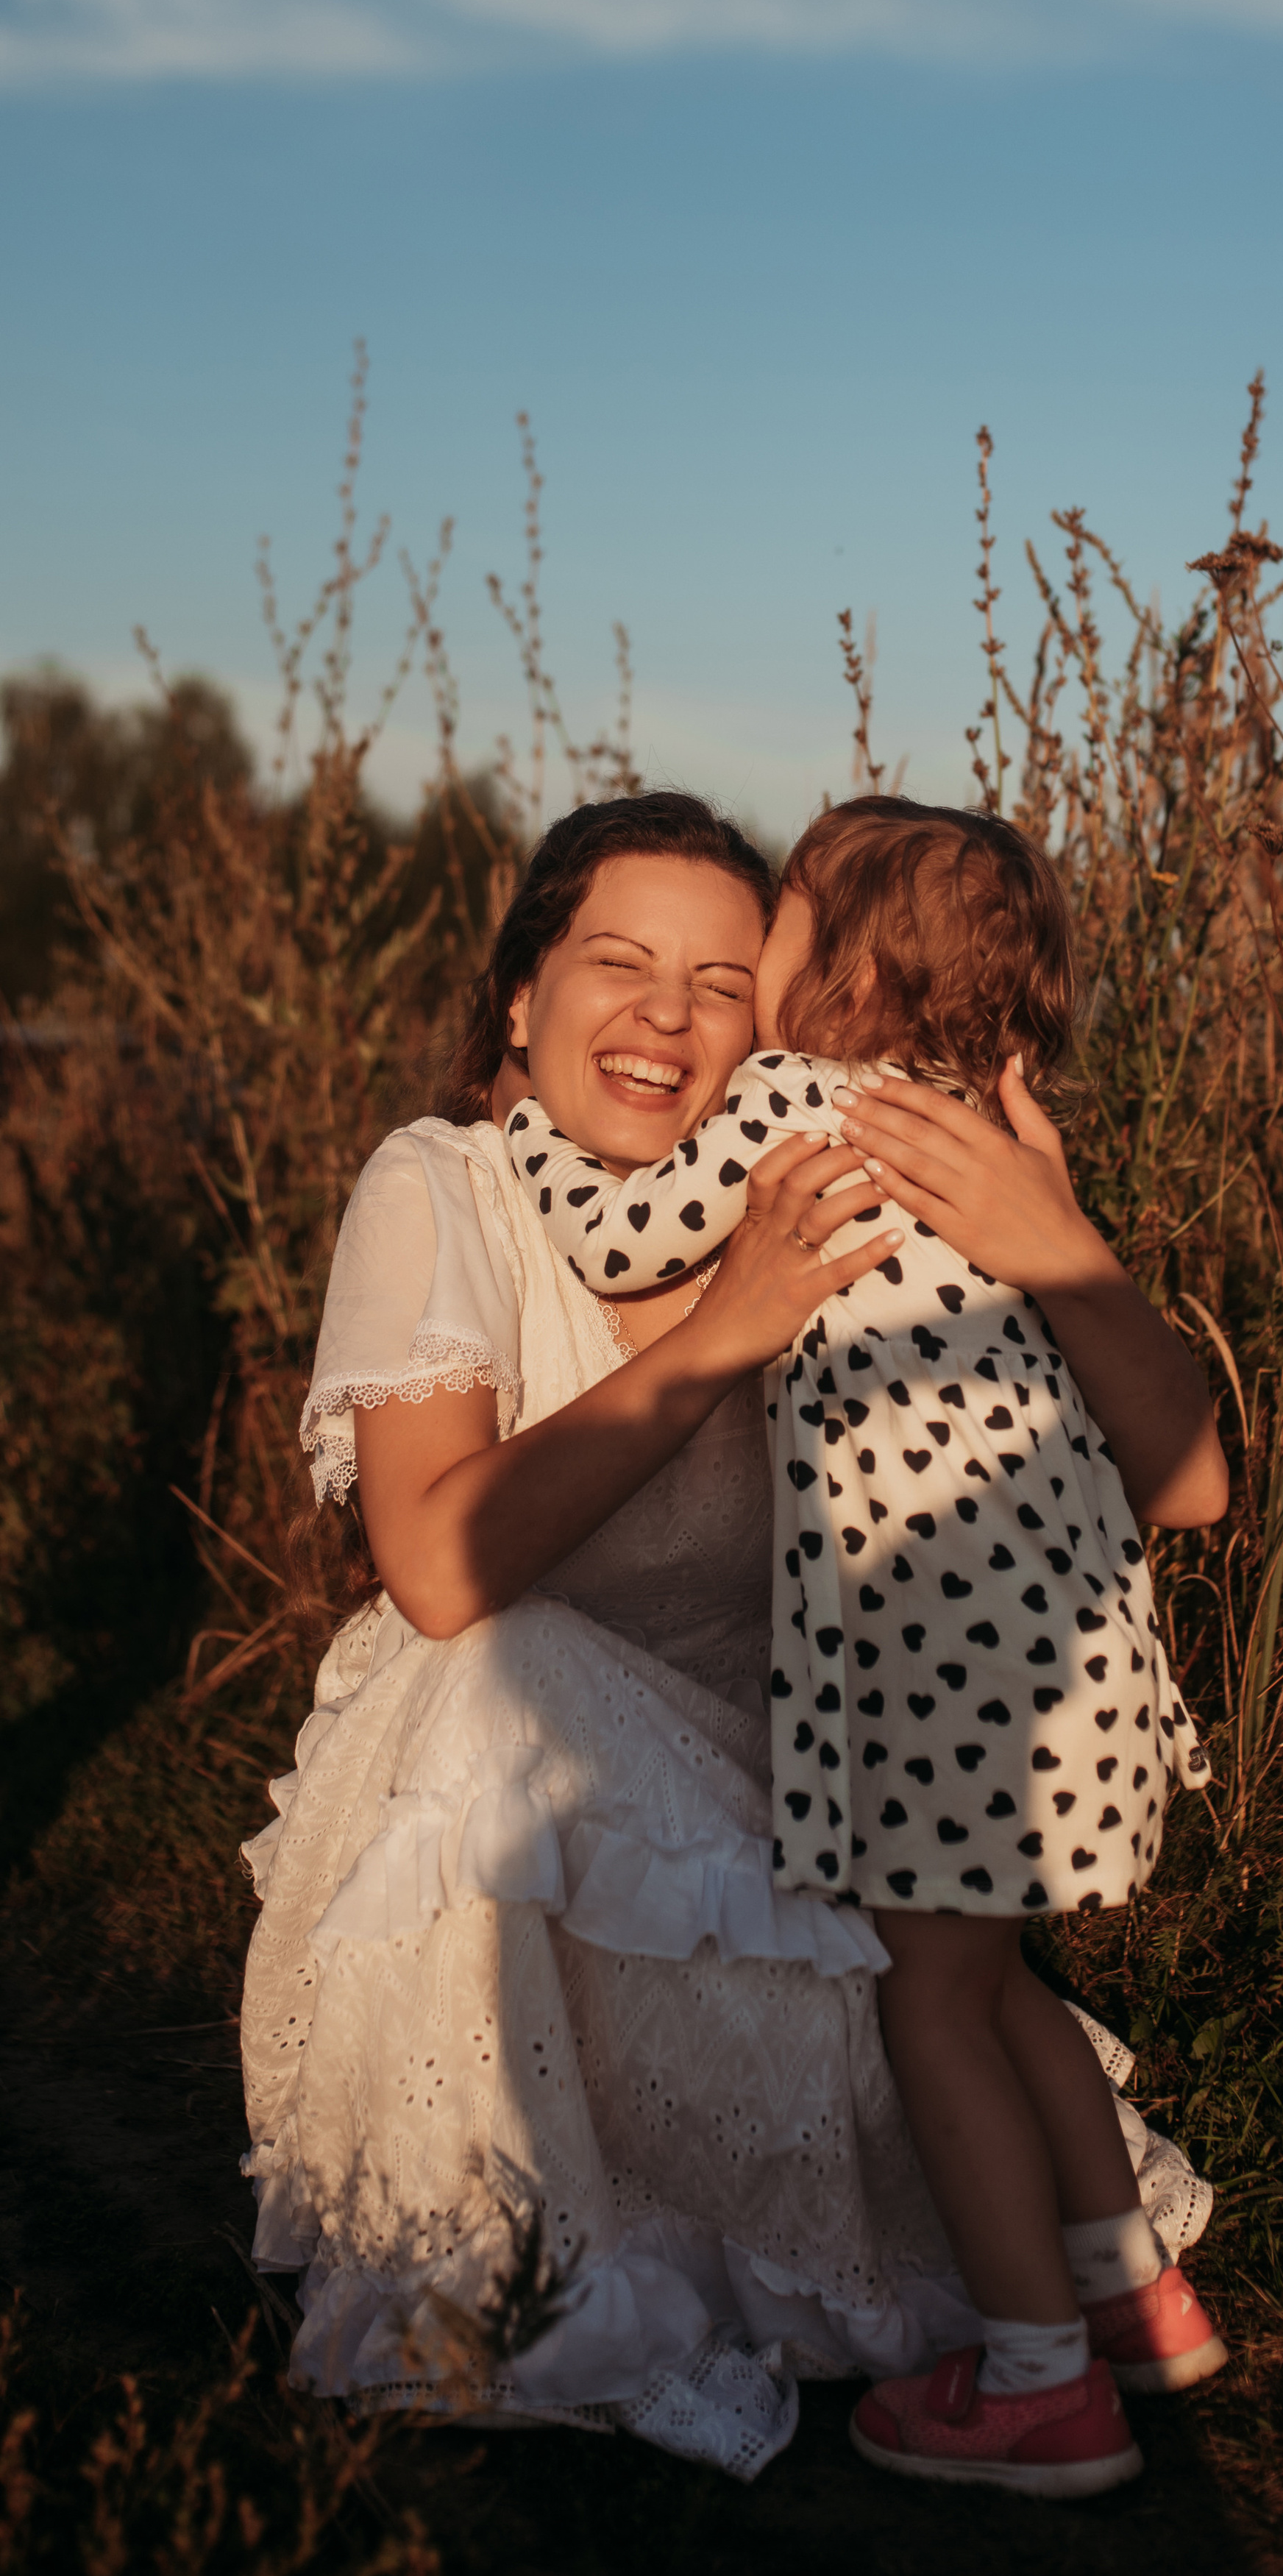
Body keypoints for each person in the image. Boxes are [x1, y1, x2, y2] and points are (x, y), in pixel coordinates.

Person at [238, 790, 1224, 2480]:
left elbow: (1190, 1484)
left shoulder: (834, 1158)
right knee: (503, 1674)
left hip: (801, 1812)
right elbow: (435, 1565)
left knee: (942, 2037)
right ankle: (582, 2248)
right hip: (528, 1813)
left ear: (784, 992)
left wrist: (1058, 1242)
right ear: (518, 999)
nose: (670, 1015)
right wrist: (731, 1323)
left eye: (718, 973)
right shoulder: (452, 1184)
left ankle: (1051, 2340)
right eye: (616, 962)